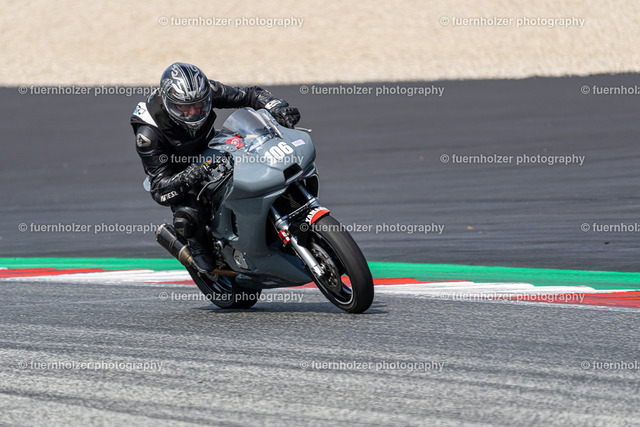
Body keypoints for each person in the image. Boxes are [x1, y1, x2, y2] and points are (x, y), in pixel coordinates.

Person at [131, 62, 301, 274]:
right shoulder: (147, 134)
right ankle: (197, 246)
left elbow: (249, 95)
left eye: (198, 105)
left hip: (212, 146)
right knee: (188, 216)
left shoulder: (206, 92)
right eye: (184, 108)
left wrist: (275, 106)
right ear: (168, 103)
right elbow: (159, 189)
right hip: (179, 171)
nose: (194, 112)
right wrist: (188, 176)